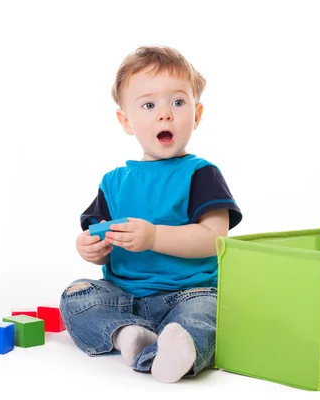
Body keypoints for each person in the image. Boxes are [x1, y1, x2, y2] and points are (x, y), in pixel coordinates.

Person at [59, 45, 242, 383]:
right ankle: (128, 333)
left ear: (197, 114)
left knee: (209, 314)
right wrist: (88, 247)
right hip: (124, 296)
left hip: (191, 293)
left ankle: (179, 347)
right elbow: (94, 233)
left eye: (177, 102)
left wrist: (154, 237)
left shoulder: (201, 174)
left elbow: (215, 238)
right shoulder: (113, 182)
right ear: (126, 121)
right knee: (76, 295)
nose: (165, 114)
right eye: (148, 105)